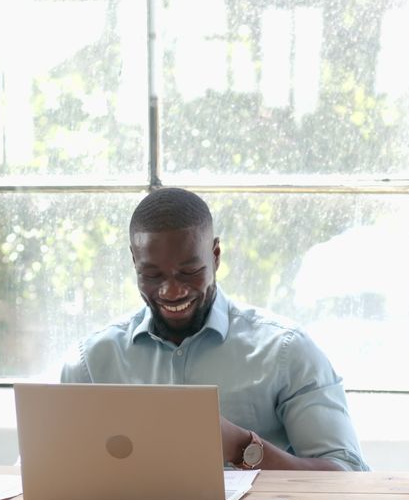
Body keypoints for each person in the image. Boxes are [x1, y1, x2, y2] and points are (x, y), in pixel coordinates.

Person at [61, 187, 369, 471]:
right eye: (152, 275)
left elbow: (347, 474)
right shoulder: (90, 362)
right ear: (133, 261)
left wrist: (240, 446)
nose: (171, 291)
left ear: (216, 255)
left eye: (190, 272)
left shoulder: (285, 350)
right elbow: (47, 472)